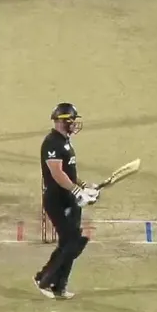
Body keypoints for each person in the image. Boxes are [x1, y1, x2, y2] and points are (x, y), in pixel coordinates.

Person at [34, 103, 99, 299]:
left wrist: (85, 186)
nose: (75, 124)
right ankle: (43, 279)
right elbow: (57, 173)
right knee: (73, 241)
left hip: (69, 199)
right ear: (62, 121)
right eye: (72, 120)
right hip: (57, 200)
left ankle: (59, 286)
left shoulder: (65, 142)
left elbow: (70, 173)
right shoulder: (51, 143)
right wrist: (77, 191)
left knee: (69, 242)